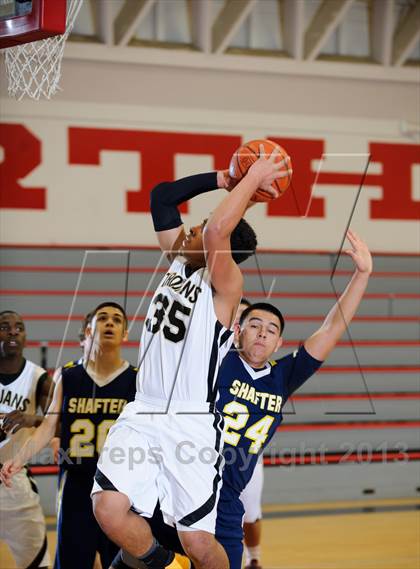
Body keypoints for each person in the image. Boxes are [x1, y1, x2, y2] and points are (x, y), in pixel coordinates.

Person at [113, 230, 372, 569]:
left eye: (272, 328)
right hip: (179, 481)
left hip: (226, 500)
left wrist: (362, 275)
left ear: (279, 343)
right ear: (237, 329)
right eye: (255, 324)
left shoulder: (283, 377)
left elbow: (332, 328)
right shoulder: (216, 356)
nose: (263, 331)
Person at [90, 147, 291, 569]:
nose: (192, 230)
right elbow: (161, 197)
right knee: (107, 509)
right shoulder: (178, 261)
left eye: (197, 227)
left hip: (189, 421)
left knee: (199, 543)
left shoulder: (227, 287)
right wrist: (224, 179)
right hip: (142, 411)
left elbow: (218, 229)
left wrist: (253, 179)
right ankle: (161, 564)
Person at [0, 302, 138, 569]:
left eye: (116, 319)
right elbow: (48, 427)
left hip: (119, 488)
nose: (109, 322)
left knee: (121, 563)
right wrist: (18, 460)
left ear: (125, 334)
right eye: (103, 318)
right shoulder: (68, 374)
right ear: (88, 331)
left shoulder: (136, 379)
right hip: (76, 485)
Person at [0, 310, 53, 568]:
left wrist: (31, 419)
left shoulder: (38, 378)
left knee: (37, 564)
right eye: (5, 326)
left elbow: (61, 424)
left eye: (19, 327)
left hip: (12, 480)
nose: (12, 331)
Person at [235, 298, 264, 569]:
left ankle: (254, 557)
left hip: (245, 452)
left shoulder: (260, 362)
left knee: (250, 513)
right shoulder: (208, 354)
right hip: (201, 450)